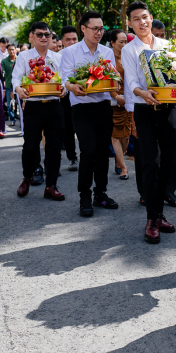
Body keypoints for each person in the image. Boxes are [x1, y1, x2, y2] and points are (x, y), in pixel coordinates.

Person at [122, 0, 176, 244]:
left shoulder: (167, 46)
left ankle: (160, 214)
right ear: (130, 24)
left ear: (151, 17)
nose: (142, 22)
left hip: (168, 109)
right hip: (145, 109)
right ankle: (151, 219)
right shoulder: (129, 49)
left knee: (169, 161)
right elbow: (132, 82)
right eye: (136, 19)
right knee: (150, 163)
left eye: (145, 17)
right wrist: (143, 93)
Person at [61, 11, 119, 217]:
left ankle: (100, 193)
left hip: (103, 106)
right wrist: (72, 86)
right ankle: (84, 196)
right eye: (94, 28)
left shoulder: (106, 52)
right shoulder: (70, 52)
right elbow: (65, 80)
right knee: (89, 150)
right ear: (83, 29)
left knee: (103, 151)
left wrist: (116, 84)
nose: (99, 32)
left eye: (101, 28)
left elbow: (112, 76)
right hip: (81, 107)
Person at [13, 21, 66, 202]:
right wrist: (19, 89)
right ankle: (27, 176)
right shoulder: (23, 57)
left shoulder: (57, 57)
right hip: (33, 106)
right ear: (31, 37)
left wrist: (64, 89)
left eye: (47, 34)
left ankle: (51, 186)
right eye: (39, 34)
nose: (44, 37)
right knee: (30, 146)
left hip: (53, 105)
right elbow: (16, 79)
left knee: (54, 148)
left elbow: (64, 80)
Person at [107, 29, 132, 180]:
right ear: (112, 43)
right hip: (114, 100)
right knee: (115, 136)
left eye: (126, 41)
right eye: (121, 42)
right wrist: (116, 96)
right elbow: (108, 81)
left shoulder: (129, 56)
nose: (124, 44)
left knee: (126, 136)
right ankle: (123, 167)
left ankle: (119, 159)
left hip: (129, 99)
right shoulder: (109, 59)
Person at [60, 25, 79, 171]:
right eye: (68, 40)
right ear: (62, 41)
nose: (72, 42)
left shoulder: (84, 54)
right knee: (68, 128)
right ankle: (72, 158)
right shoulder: (57, 56)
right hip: (65, 96)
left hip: (84, 95)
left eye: (74, 39)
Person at [1, 44, 18, 126]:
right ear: (7, 51)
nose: (11, 51)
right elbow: (2, 72)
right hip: (8, 85)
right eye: (10, 50)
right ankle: (12, 119)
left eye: (13, 49)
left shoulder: (19, 60)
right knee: (10, 104)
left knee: (18, 103)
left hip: (19, 85)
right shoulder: (4, 61)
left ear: (16, 50)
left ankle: (19, 118)